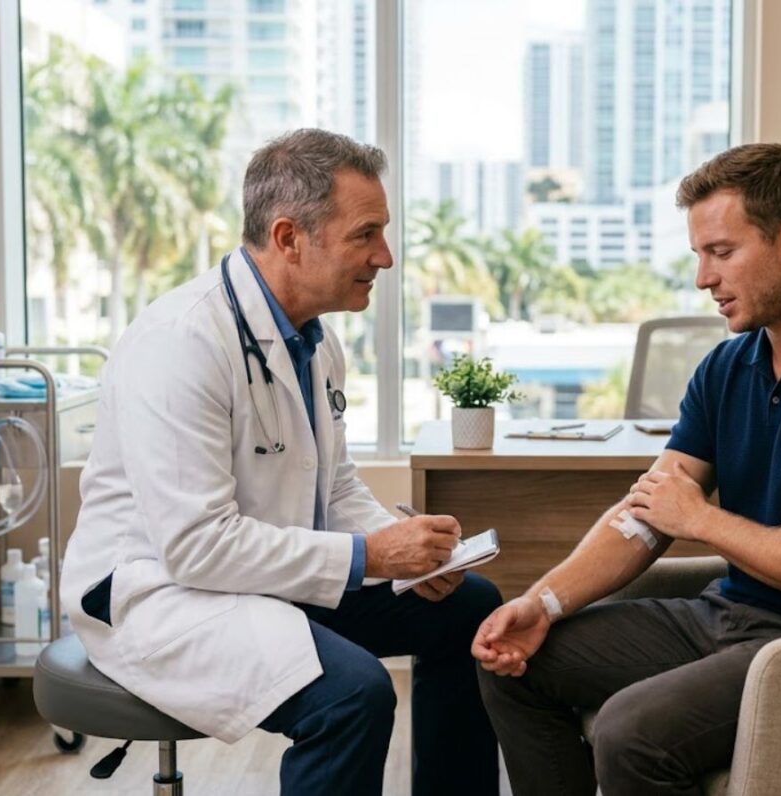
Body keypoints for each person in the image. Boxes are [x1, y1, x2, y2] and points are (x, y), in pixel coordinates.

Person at [473, 143, 781, 796]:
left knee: (628, 730)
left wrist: (702, 520)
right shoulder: (727, 369)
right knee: (516, 665)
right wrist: (542, 602)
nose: (703, 277)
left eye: (721, 252)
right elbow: (645, 517)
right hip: (727, 620)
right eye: (699, 254)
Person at [60, 128, 501, 796]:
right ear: (289, 237)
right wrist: (373, 558)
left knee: (470, 608)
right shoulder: (180, 344)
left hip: (261, 576)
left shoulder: (314, 343)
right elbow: (197, 548)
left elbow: (336, 484)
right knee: (352, 695)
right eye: (367, 234)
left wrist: (408, 552)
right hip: (160, 596)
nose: (386, 256)